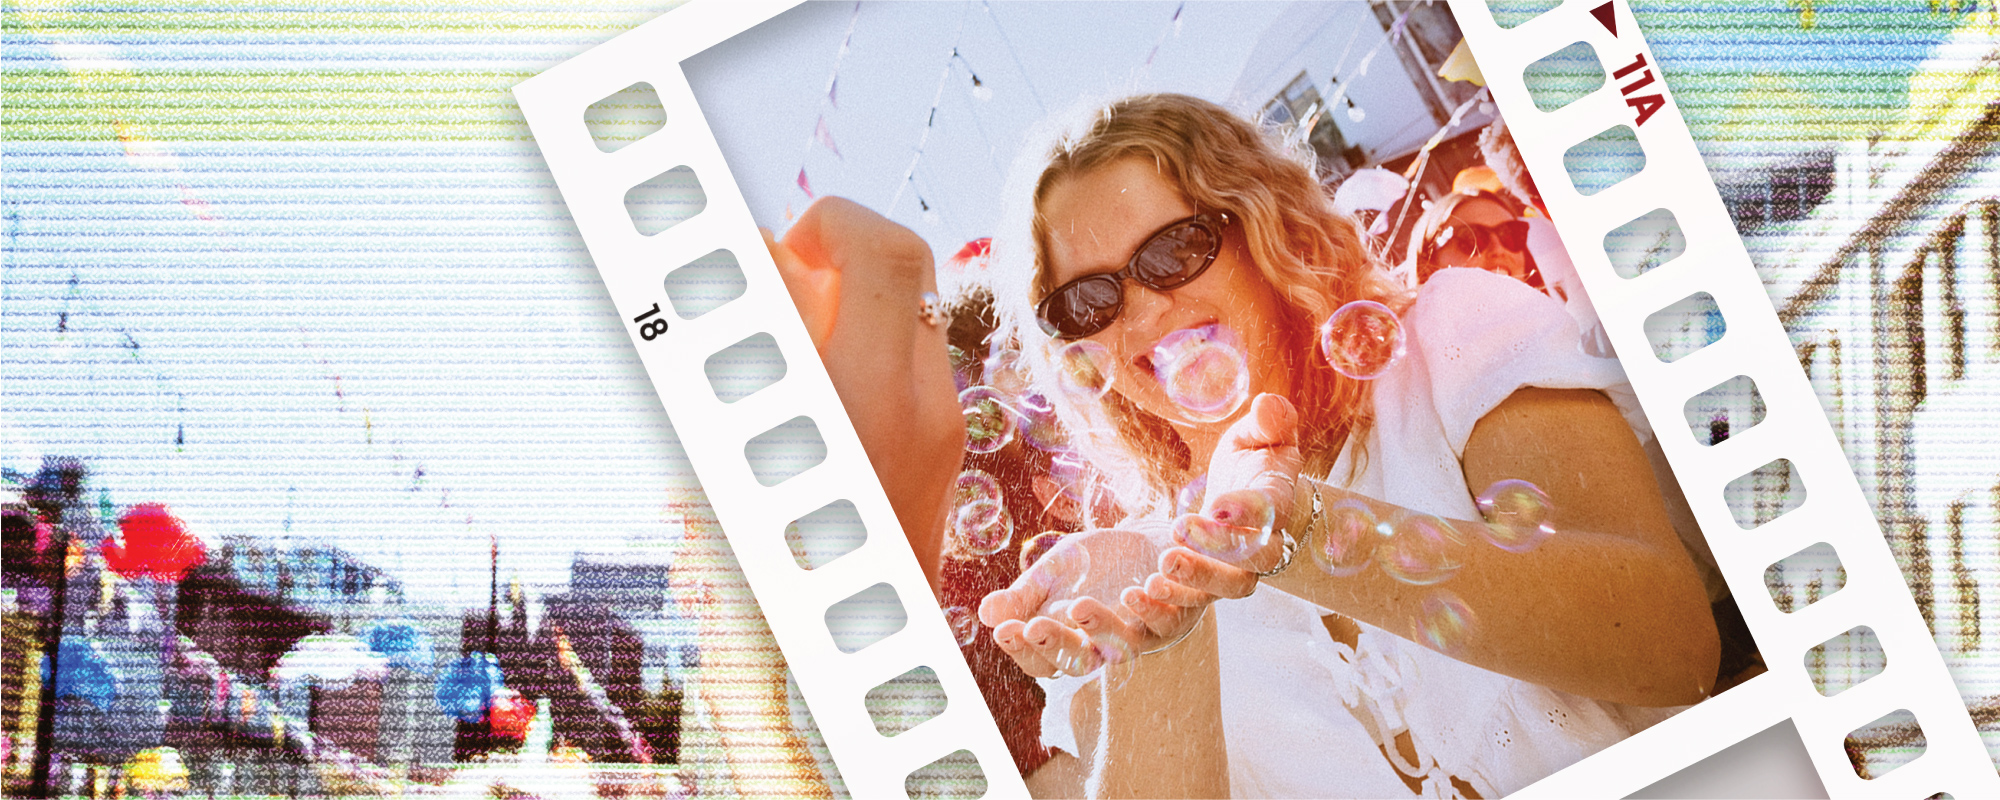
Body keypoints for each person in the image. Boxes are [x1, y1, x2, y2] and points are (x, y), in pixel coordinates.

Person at [968, 94, 1719, 798]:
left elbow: (1675, 648)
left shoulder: (1449, 342)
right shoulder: (1123, 584)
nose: (1145, 309)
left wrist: (1302, 530)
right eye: (1090, 299)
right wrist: (1159, 645)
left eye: (1173, 250)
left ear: (1260, 229)